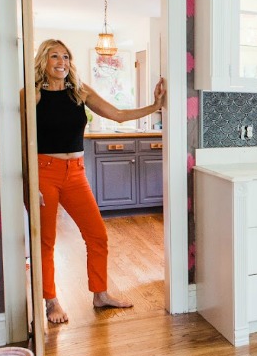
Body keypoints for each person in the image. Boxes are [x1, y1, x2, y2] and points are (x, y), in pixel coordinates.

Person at [26, 39, 166, 324]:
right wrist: (28, 181)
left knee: (97, 235)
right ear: (43, 60)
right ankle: (51, 301)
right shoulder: (32, 95)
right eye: (54, 56)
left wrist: (155, 106)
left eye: (66, 56)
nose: (61, 62)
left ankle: (100, 294)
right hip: (44, 172)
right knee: (46, 241)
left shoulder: (79, 92)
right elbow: (19, 140)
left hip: (75, 172)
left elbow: (117, 115)